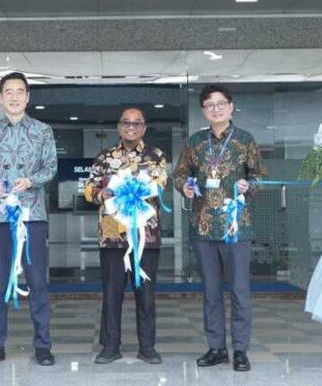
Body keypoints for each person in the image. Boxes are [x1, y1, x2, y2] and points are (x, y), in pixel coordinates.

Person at [174, 84, 266, 373]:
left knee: (240, 290)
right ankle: (216, 348)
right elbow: (180, 174)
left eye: (221, 103)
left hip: (236, 227)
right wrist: (185, 188)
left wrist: (248, 186)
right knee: (211, 291)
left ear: (230, 106)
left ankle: (240, 349)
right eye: (209, 105)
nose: (216, 108)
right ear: (203, 110)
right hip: (203, 227)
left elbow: (260, 176)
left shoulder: (245, 140)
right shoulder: (196, 141)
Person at [0, 72, 58, 367]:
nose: (14, 97)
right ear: (0, 97)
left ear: (28, 97)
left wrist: (30, 181)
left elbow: (51, 167)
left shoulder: (43, 131)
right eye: (8, 92)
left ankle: (43, 346)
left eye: (19, 91)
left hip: (32, 214)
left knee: (37, 281)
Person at [84, 107, 166, 365]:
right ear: (119, 127)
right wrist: (102, 194)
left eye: (137, 123)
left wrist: (141, 188)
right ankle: (110, 346)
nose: (131, 127)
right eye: (126, 123)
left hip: (146, 236)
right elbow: (89, 188)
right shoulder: (104, 157)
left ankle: (148, 347)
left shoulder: (157, 156)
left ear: (144, 127)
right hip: (112, 236)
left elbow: (159, 185)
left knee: (146, 295)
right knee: (111, 294)